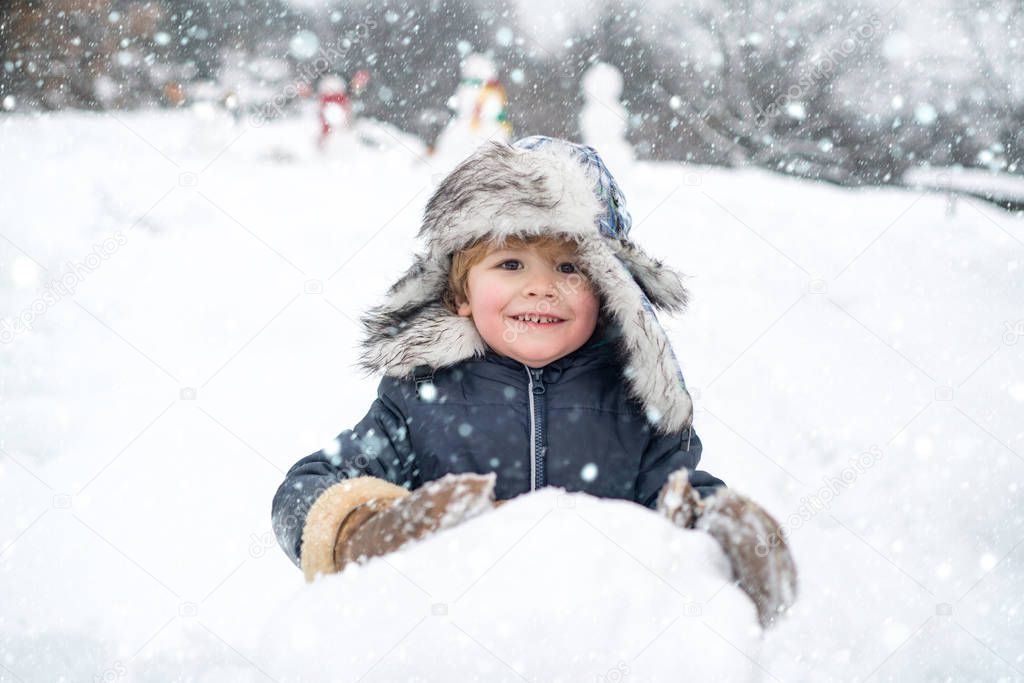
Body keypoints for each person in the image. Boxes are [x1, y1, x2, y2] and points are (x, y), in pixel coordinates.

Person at [271, 136, 797, 627]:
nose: (541, 288)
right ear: (460, 293)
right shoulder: (419, 397)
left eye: (570, 268)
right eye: (511, 263)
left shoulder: (633, 403)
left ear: (610, 290)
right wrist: (365, 529)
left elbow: (675, 498)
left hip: (593, 639)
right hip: (451, 640)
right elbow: (306, 490)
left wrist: (720, 531)